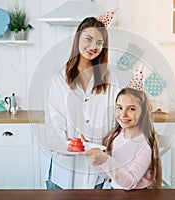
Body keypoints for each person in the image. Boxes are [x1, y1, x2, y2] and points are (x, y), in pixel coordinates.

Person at [44, 9, 120, 189]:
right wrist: (69, 144)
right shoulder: (58, 78)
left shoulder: (110, 79)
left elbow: (115, 119)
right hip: (63, 169)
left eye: (99, 42)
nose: (93, 46)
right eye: (88, 39)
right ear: (78, 39)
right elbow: (54, 120)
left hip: (96, 169)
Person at [84, 66, 162, 190]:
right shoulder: (115, 136)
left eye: (131, 109)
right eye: (119, 107)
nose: (123, 114)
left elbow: (129, 183)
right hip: (115, 192)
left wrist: (105, 160)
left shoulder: (144, 145)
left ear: (143, 112)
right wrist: (91, 153)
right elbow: (106, 174)